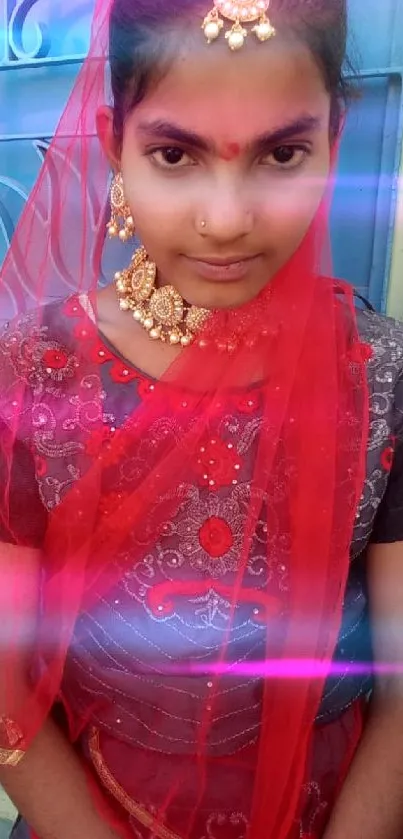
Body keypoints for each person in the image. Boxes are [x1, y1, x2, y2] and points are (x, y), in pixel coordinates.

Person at [0, 0, 402, 837]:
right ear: (114, 143)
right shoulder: (34, 370)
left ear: (336, 135)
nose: (226, 219)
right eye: (174, 154)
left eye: (282, 152)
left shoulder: (380, 374)